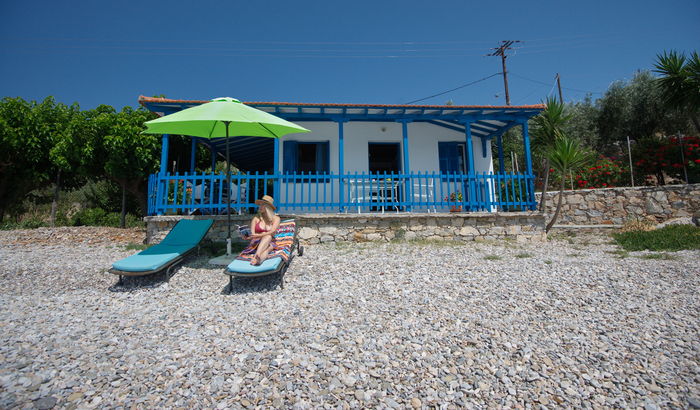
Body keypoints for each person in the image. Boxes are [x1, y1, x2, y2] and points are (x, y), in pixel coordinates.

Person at [245, 195, 281, 266]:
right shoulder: (256, 218)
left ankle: (257, 258)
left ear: (268, 207)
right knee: (268, 246)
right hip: (256, 243)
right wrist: (246, 236)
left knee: (268, 240)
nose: (260, 207)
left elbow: (273, 231)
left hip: (269, 242)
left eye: (262, 205)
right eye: (260, 205)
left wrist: (260, 234)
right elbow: (253, 234)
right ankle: (257, 256)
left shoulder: (276, 218)